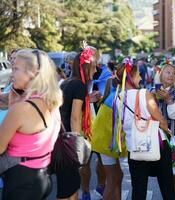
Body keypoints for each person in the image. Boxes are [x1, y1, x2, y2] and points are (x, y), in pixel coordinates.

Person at [0, 49, 63, 199]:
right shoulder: (50, 101)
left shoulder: (22, 109)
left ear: (33, 73)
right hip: (41, 177)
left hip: (21, 181)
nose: (11, 74)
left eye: (15, 69)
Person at [115, 61, 175, 200]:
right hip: (156, 144)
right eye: (138, 76)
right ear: (131, 77)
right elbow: (160, 120)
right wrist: (168, 130)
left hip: (135, 148)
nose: (141, 79)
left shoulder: (118, 98)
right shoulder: (144, 94)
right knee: (167, 186)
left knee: (138, 189)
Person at [58, 46, 101, 200]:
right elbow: (75, 117)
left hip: (60, 138)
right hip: (68, 142)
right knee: (70, 188)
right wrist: (76, 146)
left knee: (66, 187)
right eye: (94, 67)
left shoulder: (68, 82)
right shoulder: (80, 86)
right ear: (86, 67)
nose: (96, 71)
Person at [91, 65, 127, 200]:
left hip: (106, 143)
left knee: (118, 176)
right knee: (112, 180)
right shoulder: (117, 98)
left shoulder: (113, 95)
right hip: (105, 144)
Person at [151, 63, 175, 200]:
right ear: (160, 75)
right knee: (163, 176)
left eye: (173, 73)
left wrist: (169, 100)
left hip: (173, 138)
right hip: (156, 137)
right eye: (168, 72)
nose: (171, 75)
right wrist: (152, 97)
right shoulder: (152, 90)